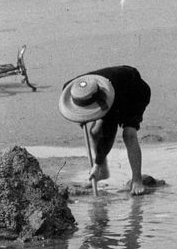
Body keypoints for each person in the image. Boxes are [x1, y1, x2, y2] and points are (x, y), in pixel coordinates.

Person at [59, 66, 151, 196]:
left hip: (134, 93)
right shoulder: (71, 88)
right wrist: (81, 115)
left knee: (128, 134)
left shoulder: (110, 100)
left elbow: (109, 133)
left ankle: (137, 180)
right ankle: (102, 171)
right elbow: (73, 104)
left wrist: (96, 163)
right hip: (115, 89)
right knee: (95, 132)